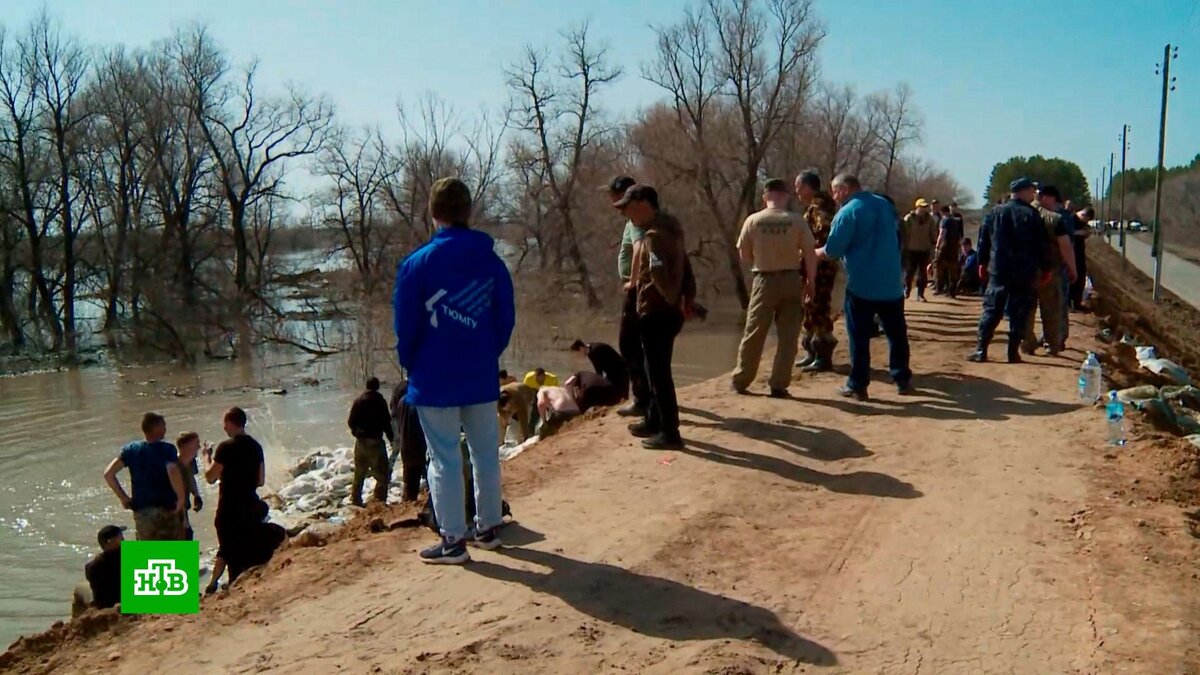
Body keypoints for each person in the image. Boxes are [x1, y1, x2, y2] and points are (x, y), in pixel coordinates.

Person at [393, 176, 516, 564]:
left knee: (443, 458)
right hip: (480, 374)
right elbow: (504, 319)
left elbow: (405, 325)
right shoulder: (492, 263)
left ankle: (452, 540)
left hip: (433, 380)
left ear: (433, 214)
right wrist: (486, 353)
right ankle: (489, 527)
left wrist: (411, 363)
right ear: (468, 212)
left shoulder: (417, 265)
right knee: (485, 454)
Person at [818, 174, 913, 401]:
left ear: (845, 189)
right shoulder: (885, 205)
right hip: (891, 282)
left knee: (859, 336)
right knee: (897, 333)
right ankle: (902, 379)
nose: (834, 196)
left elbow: (833, 250)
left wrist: (811, 253)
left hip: (861, 284)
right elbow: (900, 239)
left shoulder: (848, 212)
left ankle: (858, 384)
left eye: (835, 191)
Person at [615, 184, 687, 450]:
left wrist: (670, 300)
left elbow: (657, 273)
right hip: (665, 311)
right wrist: (685, 297)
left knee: (658, 373)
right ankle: (655, 420)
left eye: (628, 208)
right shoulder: (673, 228)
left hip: (656, 313)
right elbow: (684, 265)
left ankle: (670, 432)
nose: (626, 215)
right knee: (651, 367)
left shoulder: (655, 235)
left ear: (644, 205)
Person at [731, 178, 817, 397]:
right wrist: (811, 283)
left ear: (765, 197)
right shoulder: (797, 221)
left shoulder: (753, 220)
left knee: (754, 332)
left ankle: (742, 379)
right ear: (786, 197)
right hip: (791, 279)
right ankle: (779, 384)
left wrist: (762, 259)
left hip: (764, 279)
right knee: (789, 335)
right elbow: (809, 254)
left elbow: (744, 255)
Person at [968, 178, 1052, 363]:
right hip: (1024, 270)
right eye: (1032, 191)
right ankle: (1012, 353)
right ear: (1023, 191)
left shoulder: (995, 212)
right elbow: (1042, 245)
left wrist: (981, 263)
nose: (1034, 195)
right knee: (1019, 313)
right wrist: (1046, 267)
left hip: (999, 269)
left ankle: (981, 350)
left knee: (991, 310)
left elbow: (984, 240)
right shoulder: (1032, 214)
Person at [202, 407, 285, 584]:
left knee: (227, 547)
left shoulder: (225, 447)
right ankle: (224, 582)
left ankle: (219, 583)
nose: (223, 428)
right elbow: (261, 480)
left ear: (231, 423)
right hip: (249, 506)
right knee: (242, 547)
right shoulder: (255, 446)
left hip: (229, 507)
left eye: (225, 423)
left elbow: (210, 477)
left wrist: (206, 458)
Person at [103, 412, 186, 541]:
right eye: (163, 425)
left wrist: (123, 498)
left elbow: (108, 474)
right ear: (156, 428)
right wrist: (181, 498)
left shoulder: (131, 449)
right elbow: (172, 470)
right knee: (174, 555)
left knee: (147, 556)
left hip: (143, 512)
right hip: (167, 508)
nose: (165, 428)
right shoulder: (167, 449)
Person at [609, 175, 651, 420]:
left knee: (629, 344)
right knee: (642, 345)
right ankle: (649, 395)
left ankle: (641, 398)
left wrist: (633, 282)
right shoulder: (638, 219)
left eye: (615, 197)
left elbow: (639, 248)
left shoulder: (635, 221)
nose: (613, 203)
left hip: (636, 290)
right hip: (641, 287)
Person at [1021, 185, 1077, 355]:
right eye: (1055, 201)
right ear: (1046, 198)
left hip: (1024, 269)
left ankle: (1027, 343)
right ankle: (1052, 345)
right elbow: (1065, 246)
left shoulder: (1020, 214)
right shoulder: (1055, 219)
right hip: (1050, 270)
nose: (1057, 205)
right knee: (1051, 309)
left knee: (1026, 308)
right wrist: (1073, 269)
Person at [794, 170, 840, 372]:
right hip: (814, 265)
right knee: (811, 308)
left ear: (807, 187)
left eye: (798, 188)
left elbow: (826, 233)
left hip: (821, 267)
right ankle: (812, 353)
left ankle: (822, 356)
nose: (797, 193)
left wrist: (810, 250)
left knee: (819, 307)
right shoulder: (817, 205)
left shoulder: (820, 207)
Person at [347, 377, 395, 507]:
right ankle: (379, 501)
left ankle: (356, 499)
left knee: (359, 472)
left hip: (361, 443)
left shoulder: (358, 401)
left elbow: (351, 422)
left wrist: (357, 434)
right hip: (375, 443)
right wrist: (392, 439)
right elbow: (387, 423)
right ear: (377, 387)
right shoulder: (380, 402)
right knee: (382, 474)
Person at [389, 380, 428, 502]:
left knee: (410, 481)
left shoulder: (401, 401)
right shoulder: (420, 402)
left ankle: (408, 505)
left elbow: (396, 417)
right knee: (428, 478)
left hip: (406, 445)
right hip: (419, 447)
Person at [900, 198, 939, 301]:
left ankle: (920, 294)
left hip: (924, 249)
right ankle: (906, 290)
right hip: (911, 249)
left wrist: (934, 244)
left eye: (925, 207)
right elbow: (903, 232)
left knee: (923, 273)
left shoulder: (930, 219)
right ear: (917, 207)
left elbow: (933, 233)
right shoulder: (909, 218)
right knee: (909, 272)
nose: (924, 209)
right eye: (922, 207)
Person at [83, 525, 124, 610]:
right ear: (111, 541)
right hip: (127, 602)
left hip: (105, 606)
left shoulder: (92, 566)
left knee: (80, 589)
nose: (123, 538)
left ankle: (78, 619)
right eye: (120, 535)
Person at [174, 432, 205, 541]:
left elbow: (191, 477)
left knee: (187, 535)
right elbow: (175, 495)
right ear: (186, 447)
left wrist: (196, 495)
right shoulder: (174, 466)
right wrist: (184, 520)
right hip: (174, 511)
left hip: (183, 507)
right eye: (196, 443)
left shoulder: (191, 461)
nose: (199, 446)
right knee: (185, 535)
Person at [933, 205, 964, 298]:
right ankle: (952, 291)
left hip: (945, 246)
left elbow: (942, 233)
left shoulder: (944, 220)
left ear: (943, 212)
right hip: (954, 246)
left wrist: (937, 246)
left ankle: (939, 288)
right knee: (953, 269)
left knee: (938, 266)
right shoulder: (955, 221)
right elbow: (960, 235)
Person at [1070, 206, 1094, 310]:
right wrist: (1079, 233)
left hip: (1078, 254)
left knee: (1080, 279)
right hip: (1072, 253)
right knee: (1074, 279)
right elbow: (1067, 234)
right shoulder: (1071, 219)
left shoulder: (1079, 222)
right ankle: (1071, 303)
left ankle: (1077, 302)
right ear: (1085, 215)